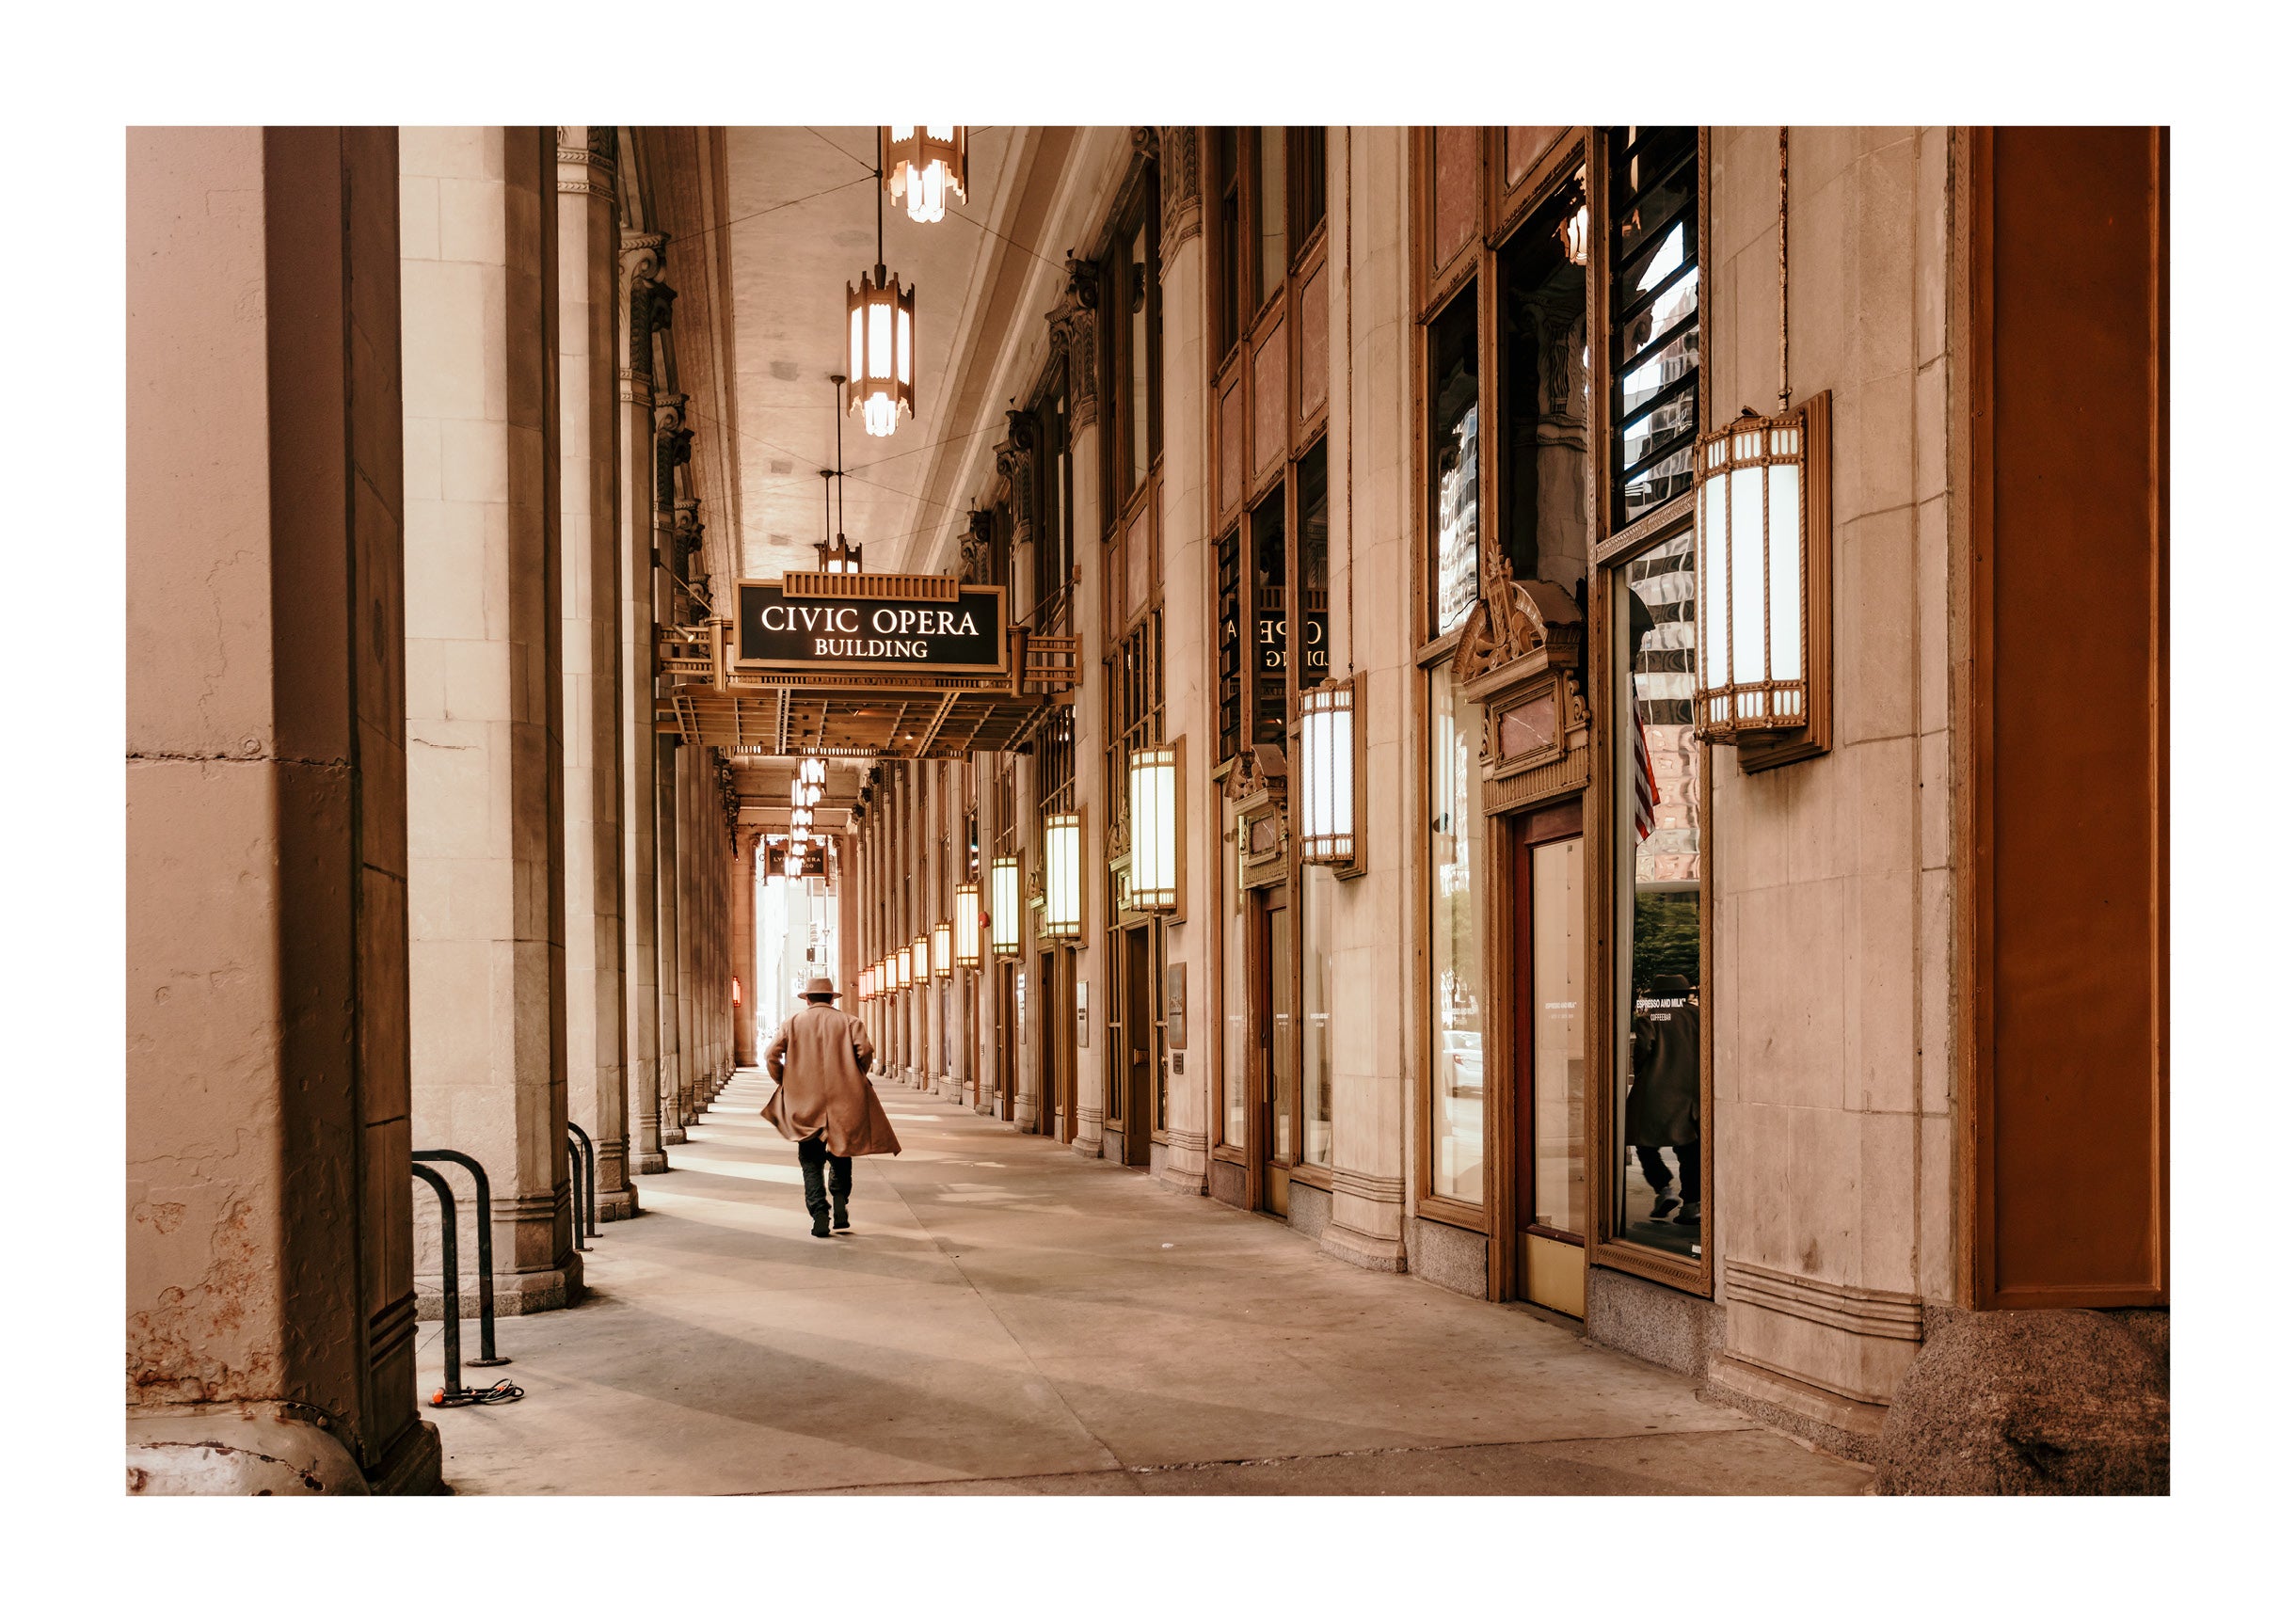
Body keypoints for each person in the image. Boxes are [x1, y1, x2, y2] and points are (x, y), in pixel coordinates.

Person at [761, 977, 901, 1237]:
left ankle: (819, 1214)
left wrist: (785, 1081)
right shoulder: (850, 1022)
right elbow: (865, 1051)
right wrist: (855, 1076)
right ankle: (839, 1201)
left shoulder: (792, 1023)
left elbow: (771, 1055)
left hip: (805, 1102)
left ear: (807, 999)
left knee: (810, 1159)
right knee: (842, 1151)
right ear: (831, 998)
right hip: (844, 1100)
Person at [1626, 972, 1700, 1226]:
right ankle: (1692, 1205)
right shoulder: (1698, 1016)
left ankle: (1664, 1189)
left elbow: (1643, 1051)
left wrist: (1642, 1074)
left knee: (1645, 1145)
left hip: (1657, 1093)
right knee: (1690, 1149)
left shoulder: (1651, 1018)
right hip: (1692, 1093)